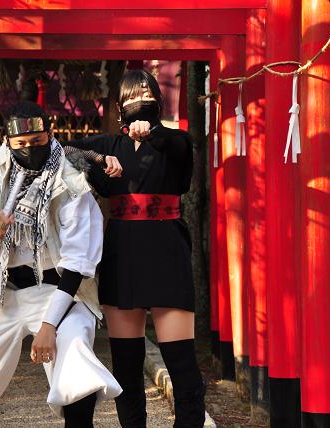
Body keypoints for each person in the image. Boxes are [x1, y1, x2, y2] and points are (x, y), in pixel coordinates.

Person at [0, 101, 122, 428]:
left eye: (37, 142)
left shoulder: (70, 178)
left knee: (75, 365)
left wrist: (49, 327)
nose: (29, 150)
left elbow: (77, 263)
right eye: (21, 144)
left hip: (60, 291)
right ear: (8, 142)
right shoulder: (2, 162)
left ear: (49, 135)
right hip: (5, 291)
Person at [66, 69, 206, 428]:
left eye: (146, 93)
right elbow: (63, 151)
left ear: (158, 101)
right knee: (126, 367)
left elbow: (179, 149)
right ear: (118, 107)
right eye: (130, 95)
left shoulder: (176, 141)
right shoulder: (110, 146)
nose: (139, 100)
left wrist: (152, 132)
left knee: (182, 365)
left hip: (167, 252)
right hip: (122, 254)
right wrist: (99, 160)